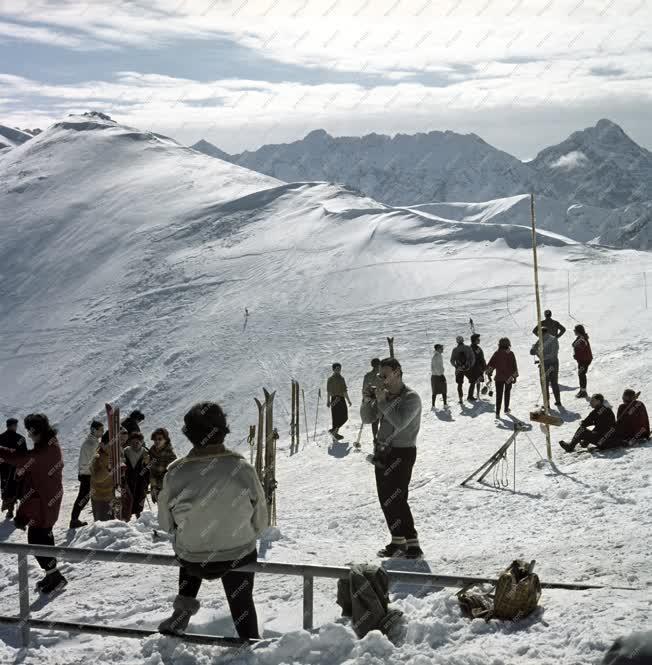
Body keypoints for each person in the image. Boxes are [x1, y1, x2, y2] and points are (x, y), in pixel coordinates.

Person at [158, 402, 267, 638]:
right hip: (238, 554)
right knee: (242, 600)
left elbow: (166, 524)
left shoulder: (175, 472)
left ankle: (182, 612)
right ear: (223, 430)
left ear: (189, 435)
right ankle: (249, 641)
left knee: (188, 544)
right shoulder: (242, 468)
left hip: (193, 560)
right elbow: (261, 522)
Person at [360, 357, 423, 559]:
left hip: (402, 452)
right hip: (382, 452)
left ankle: (413, 542)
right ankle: (397, 540)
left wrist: (382, 401)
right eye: (380, 375)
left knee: (398, 498)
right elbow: (367, 418)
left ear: (397, 372)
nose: (382, 379)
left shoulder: (411, 398)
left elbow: (399, 422)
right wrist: (366, 400)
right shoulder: (385, 396)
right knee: (385, 499)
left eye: (385, 375)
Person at [0, 414, 66, 593]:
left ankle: (56, 577)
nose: (28, 435)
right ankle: (52, 574)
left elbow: (22, 459)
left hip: (44, 501)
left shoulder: (45, 449)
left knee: (38, 539)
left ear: (38, 431)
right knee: (42, 538)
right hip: (45, 499)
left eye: (30, 431)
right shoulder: (48, 444)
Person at [69, 420, 104, 528]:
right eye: (101, 430)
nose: (102, 432)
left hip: (85, 473)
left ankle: (74, 519)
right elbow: (97, 459)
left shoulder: (91, 441)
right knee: (83, 497)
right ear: (94, 430)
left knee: (84, 497)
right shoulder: (92, 443)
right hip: (88, 474)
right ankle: (74, 520)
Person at [91, 428, 124, 521]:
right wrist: (110, 469)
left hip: (111, 496)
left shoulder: (113, 456)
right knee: (103, 526)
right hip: (100, 498)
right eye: (112, 445)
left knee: (112, 523)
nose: (115, 448)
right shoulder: (98, 457)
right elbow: (98, 477)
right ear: (103, 444)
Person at [0, 418, 27, 519]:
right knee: (17, 489)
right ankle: (15, 511)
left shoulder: (1, 438)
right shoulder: (20, 438)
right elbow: (25, 455)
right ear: (13, 426)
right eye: (15, 425)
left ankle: (10, 510)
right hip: (16, 468)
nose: (15, 427)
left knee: (7, 488)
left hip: (5, 469)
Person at [486, 338, 519, 419]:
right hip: (509, 378)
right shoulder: (510, 353)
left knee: (499, 395)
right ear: (508, 344)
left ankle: (497, 413)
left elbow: (491, 364)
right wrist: (514, 377)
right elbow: (514, 366)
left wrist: (489, 373)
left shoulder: (497, 353)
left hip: (499, 378)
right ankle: (506, 409)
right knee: (507, 393)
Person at [530, 326, 562, 407]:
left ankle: (547, 404)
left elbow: (553, 354)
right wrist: (533, 349)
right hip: (553, 364)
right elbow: (532, 351)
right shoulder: (550, 339)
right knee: (554, 383)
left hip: (548, 364)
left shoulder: (552, 339)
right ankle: (556, 401)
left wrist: (540, 356)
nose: (538, 336)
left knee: (545, 384)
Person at [124, 432, 150, 519]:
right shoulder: (126, 451)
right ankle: (127, 518)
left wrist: (146, 464)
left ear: (141, 442)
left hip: (141, 481)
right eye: (132, 442)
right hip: (129, 480)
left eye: (137, 442)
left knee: (139, 499)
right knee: (128, 500)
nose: (135, 444)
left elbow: (150, 468)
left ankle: (139, 518)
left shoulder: (145, 452)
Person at [147, 428, 177, 503]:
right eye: (154, 439)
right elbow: (150, 471)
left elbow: (171, 475)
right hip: (154, 485)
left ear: (166, 440)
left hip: (165, 488)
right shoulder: (152, 450)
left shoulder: (170, 455)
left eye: (160, 439)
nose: (156, 441)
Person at [327, 363, 352, 440]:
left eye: (339, 368)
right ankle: (334, 432)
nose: (339, 370)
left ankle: (334, 432)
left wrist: (348, 400)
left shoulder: (335, 379)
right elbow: (329, 391)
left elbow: (344, 391)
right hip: (338, 399)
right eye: (337, 369)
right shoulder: (337, 379)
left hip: (337, 399)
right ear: (333, 369)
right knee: (340, 417)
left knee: (340, 417)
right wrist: (328, 401)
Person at [450, 336, 475, 404]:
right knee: (473, 381)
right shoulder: (468, 348)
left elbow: (452, 360)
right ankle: (470, 396)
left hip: (459, 369)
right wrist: (470, 366)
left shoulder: (455, 349)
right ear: (463, 340)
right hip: (467, 368)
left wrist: (456, 366)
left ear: (457, 341)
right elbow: (473, 358)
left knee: (459, 384)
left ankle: (460, 399)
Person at [362, 358, 382, 437]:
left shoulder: (368, 376)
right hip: (378, 399)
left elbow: (364, 389)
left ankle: (375, 437)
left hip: (375, 399)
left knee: (375, 420)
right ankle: (377, 437)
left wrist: (365, 398)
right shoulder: (382, 375)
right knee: (380, 419)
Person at [572, 324, 592, 398]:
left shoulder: (582, 339)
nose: (574, 331)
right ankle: (582, 390)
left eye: (575, 330)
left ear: (578, 331)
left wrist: (576, 355)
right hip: (582, 360)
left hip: (584, 360)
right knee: (581, 374)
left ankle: (583, 392)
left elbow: (581, 347)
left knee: (581, 374)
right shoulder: (580, 337)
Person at [467, 334, 486, 401]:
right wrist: (483, 366)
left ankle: (472, 395)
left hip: (474, 368)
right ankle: (474, 395)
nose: (479, 340)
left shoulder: (471, 348)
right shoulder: (475, 348)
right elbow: (480, 358)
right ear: (475, 340)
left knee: (474, 381)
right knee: (476, 381)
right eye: (478, 339)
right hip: (476, 368)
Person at [430, 344, 447, 409]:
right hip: (438, 376)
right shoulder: (437, 357)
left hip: (435, 376)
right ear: (437, 349)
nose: (442, 349)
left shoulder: (438, 356)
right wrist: (441, 375)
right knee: (443, 390)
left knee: (435, 391)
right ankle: (444, 405)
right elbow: (437, 367)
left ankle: (434, 406)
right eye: (441, 348)